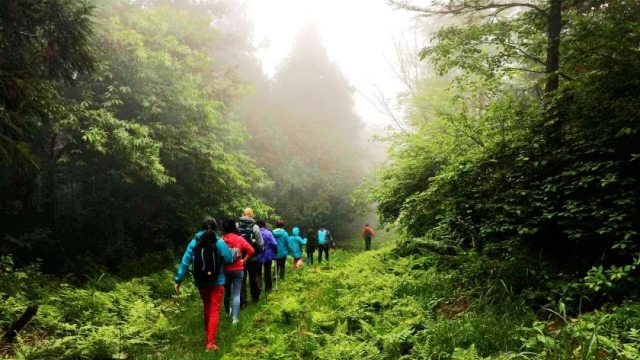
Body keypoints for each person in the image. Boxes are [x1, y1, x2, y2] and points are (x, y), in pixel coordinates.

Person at [173, 218, 234, 352]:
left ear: (201, 227)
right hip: (217, 281)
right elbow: (229, 260)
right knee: (214, 310)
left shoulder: (194, 242)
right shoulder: (219, 242)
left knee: (207, 306)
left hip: (201, 281)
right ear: (215, 228)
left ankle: (209, 336)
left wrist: (178, 280)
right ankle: (210, 343)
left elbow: (185, 261)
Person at [221, 218, 254, 325]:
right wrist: (244, 260)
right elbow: (251, 250)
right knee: (236, 294)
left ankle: (227, 312)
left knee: (227, 293)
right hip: (238, 269)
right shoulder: (239, 239)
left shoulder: (221, 240)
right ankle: (235, 318)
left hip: (226, 270)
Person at [237, 208, 264, 307]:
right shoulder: (255, 226)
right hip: (252, 257)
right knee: (253, 277)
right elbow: (260, 243)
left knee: (241, 279)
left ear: (242, 214)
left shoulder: (237, 225)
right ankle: (255, 298)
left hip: (240, 257)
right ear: (252, 215)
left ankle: (243, 302)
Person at [256, 219, 277, 292]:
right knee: (267, 272)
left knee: (258, 273)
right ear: (264, 225)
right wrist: (275, 251)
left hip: (257, 255)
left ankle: (259, 289)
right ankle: (268, 288)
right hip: (268, 255)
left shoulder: (255, 233)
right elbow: (274, 243)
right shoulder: (268, 233)